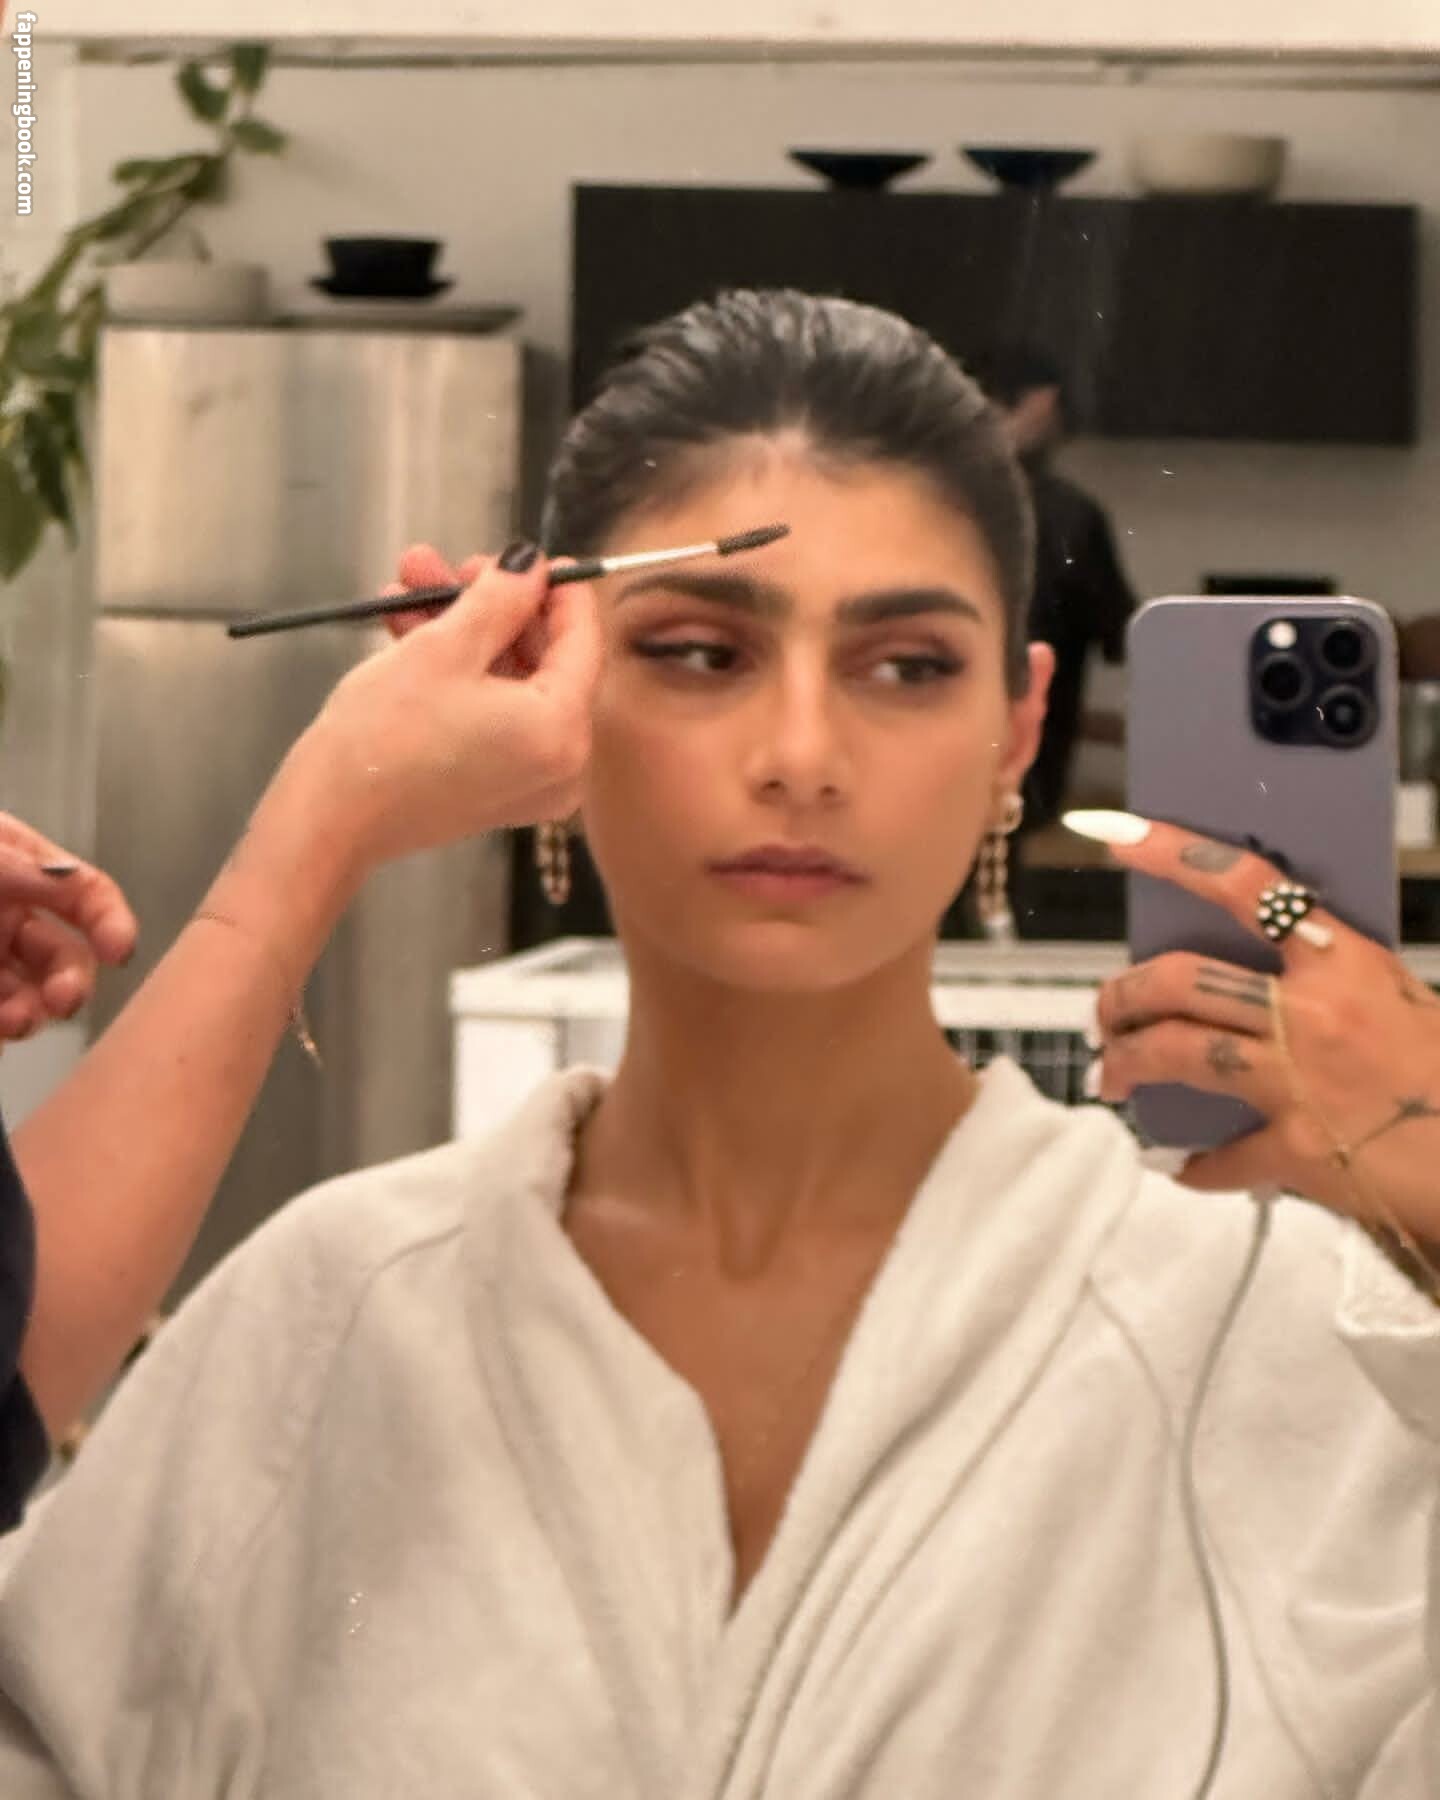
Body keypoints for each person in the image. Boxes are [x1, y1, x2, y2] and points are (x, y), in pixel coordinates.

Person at [0, 290, 1437, 1798]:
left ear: (1018, 728)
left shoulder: (1268, 1331)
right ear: (544, 684)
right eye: (699, 653)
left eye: (907, 667)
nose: (801, 757)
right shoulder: (320, 1320)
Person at [0, 543, 598, 1528]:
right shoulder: (350, 1282)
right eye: (705, 655)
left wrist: (332, 818)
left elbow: (16, 1347)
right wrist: (331, 813)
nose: (797, 758)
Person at [973, 343, 1138, 828]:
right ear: (1044, 403)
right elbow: (1123, 634)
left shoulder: (920, 507)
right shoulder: (1069, 517)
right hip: (1029, 780)